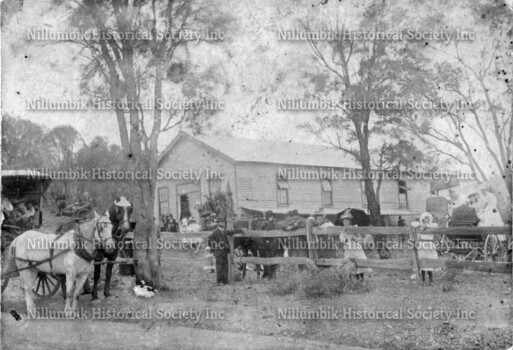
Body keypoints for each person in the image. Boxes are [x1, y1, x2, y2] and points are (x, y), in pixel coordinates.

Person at [207, 216, 244, 285]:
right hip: (218, 252)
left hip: (224, 252)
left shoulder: (224, 231)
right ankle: (219, 281)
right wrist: (216, 246)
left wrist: (240, 230)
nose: (222, 224)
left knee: (225, 266)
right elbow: (210, 239)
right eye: (221, 222)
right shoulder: (215, 232)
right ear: (218, 224)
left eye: (223, 222)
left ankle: (225, 280)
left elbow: (232, 231)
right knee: (219, 267)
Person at [417, 212, 440, 285]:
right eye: (424, 218)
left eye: (427, 218)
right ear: (422, 220)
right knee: (423, 262)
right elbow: (418, 235)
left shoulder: (432, 225)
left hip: (429, 244)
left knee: (429, 262)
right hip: (422, 245)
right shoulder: (420, 227)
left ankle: (431, 280)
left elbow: (435, 227)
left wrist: (426, 226)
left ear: (429, 219)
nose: (425, 220)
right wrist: (422, 227)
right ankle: (423, 280)